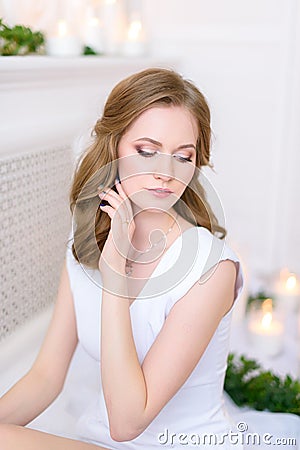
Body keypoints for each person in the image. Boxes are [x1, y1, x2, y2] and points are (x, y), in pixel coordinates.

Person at [0, 68, 244, 449]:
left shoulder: (210, 268)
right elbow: (46, 377)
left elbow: (127, 423)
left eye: (183, 156)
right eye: (146, 151)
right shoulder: (85, 242)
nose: (165, 173)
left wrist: (115, 272)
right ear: (113, 148)